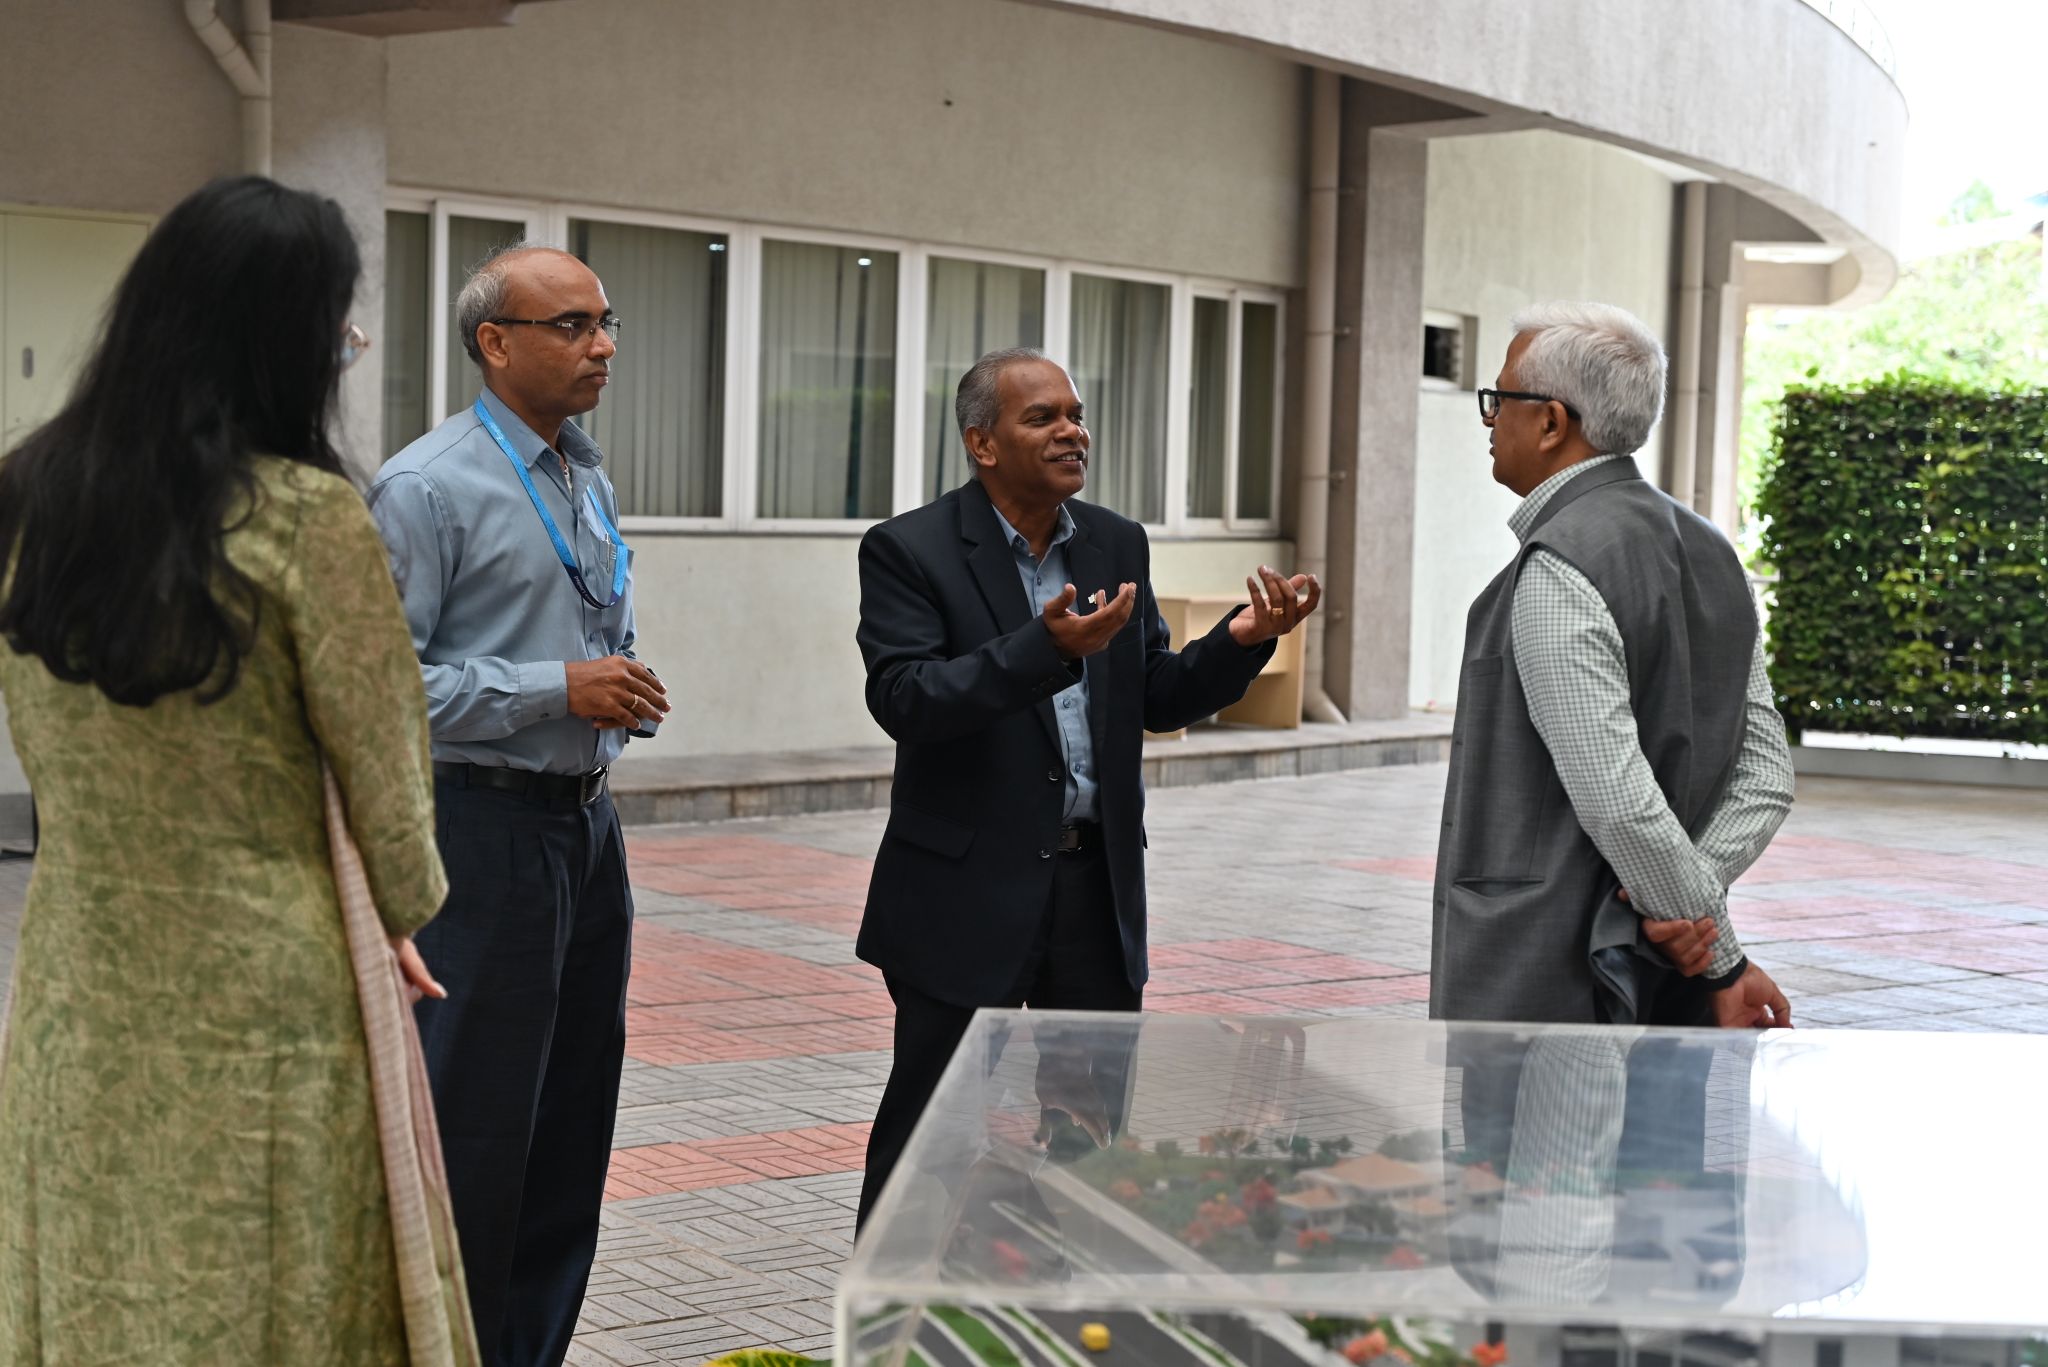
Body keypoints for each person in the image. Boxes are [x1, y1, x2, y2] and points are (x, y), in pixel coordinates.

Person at [0, 176, 461, 1363]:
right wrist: (405, 904)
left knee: (98, 1283)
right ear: (286, 337)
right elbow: (396, 816)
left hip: (75, 988)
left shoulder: (28, 497)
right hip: (267, 1008)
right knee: (272, 1301)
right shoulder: (305, 518)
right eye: (339, 328)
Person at [852, 347, 1320, 1229]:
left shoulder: (1113, 541)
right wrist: (1045, 648)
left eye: (1076, 412)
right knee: (933, 1138)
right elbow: (906, 699)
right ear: (983, 443)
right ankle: (891, 1319)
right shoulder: (908, 549)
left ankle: (1070, 1315)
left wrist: (1241, 639)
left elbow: (1156, 693)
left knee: (1093, 1136)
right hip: (964, 893)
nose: (1074, 430)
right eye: (1045, 417)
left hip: (1090, 890)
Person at [369, 243, 667, 1367]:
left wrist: (610, 683)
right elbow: (388, 683)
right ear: (494, 343)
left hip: (584, 827)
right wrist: (557, 688)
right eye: (570, 326)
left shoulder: (580, 471)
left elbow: (584, 619)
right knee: (479, 1125)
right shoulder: (424, 486)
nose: (600, 346)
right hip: (478, 833)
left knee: (569, 1121)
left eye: (606, 323)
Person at [1429, 302, 1794, 1030]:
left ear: (1552, 422)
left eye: (1500, 399)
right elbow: (1767, 775)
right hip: (1660, 967)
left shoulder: (1561, 566)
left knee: (1540, 1148)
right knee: (1660, 1143)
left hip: (1553, 968)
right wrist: (1692, 910)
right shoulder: (1713, 550)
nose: (1490, 419)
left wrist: (1709, 944)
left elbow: (1618, 800)